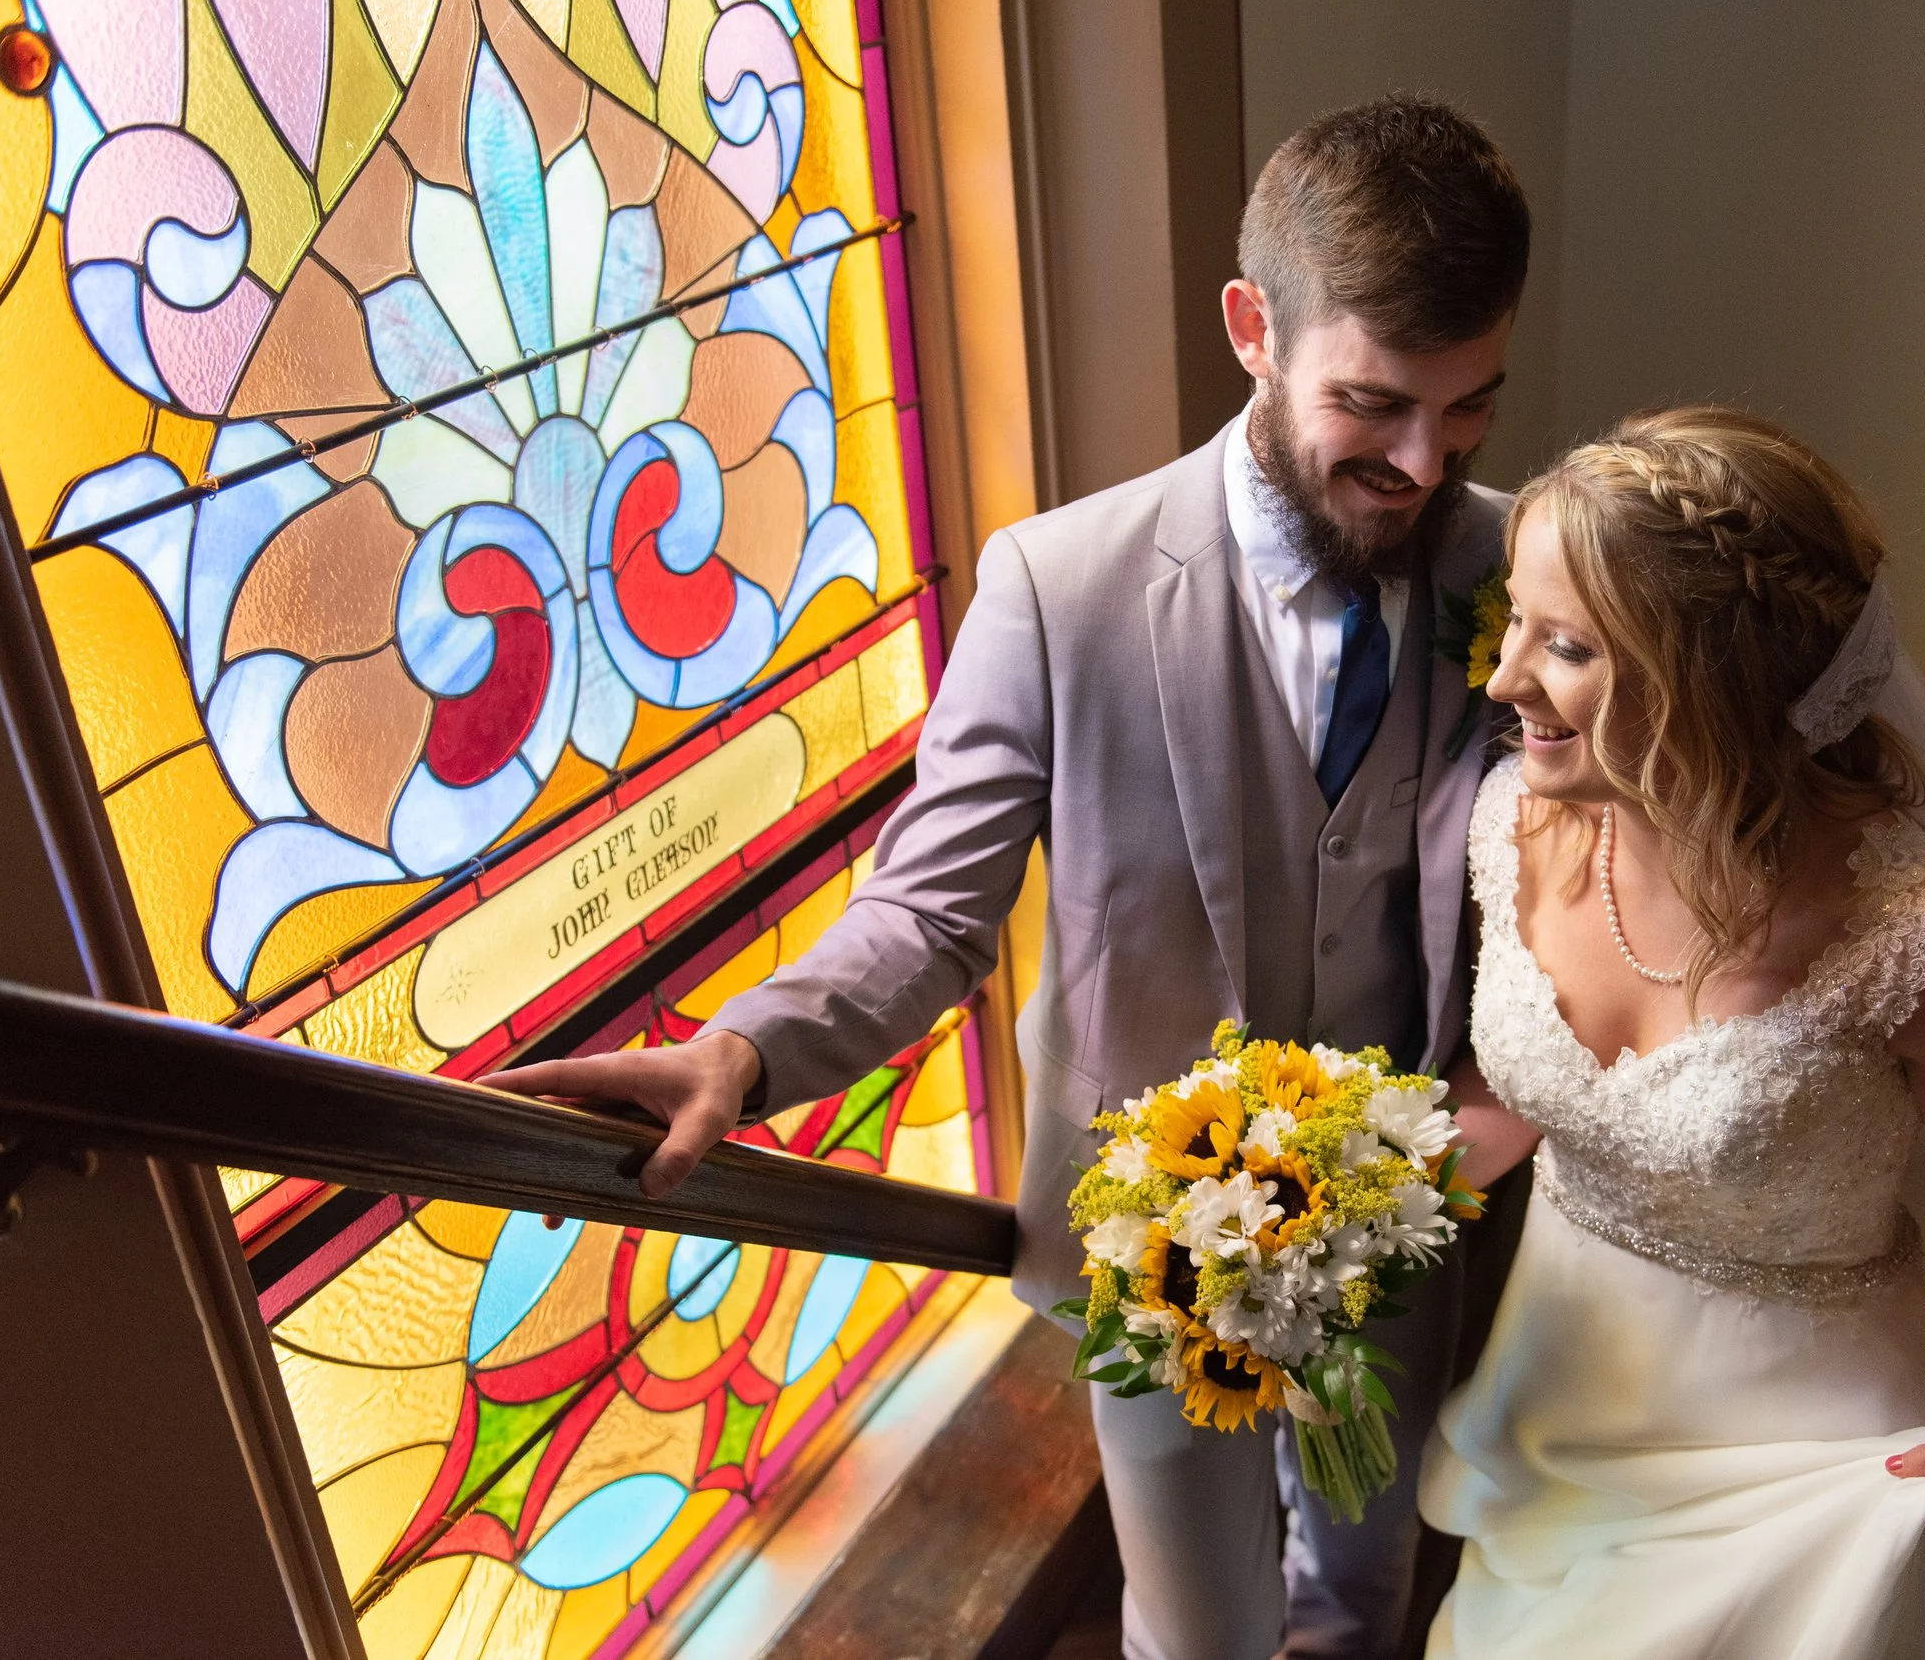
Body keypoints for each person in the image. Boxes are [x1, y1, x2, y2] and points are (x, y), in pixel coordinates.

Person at [489, 94, 1532, 1660]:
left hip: (1411, 1218)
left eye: (1468, 412)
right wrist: (744, 1046)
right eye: (1375, 405)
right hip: (1148, 1250)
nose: (1422, 459)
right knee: (1198, 1631)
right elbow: (930, 909)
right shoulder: (1060, 586)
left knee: (1369, 1593)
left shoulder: (1512, 564)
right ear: (1252, 328)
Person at [1420, 406, 1925, 1659]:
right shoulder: (1514, 815)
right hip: (1558, 1405)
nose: (1504, 675)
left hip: (1808, 1463)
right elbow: (1534, 1091)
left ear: (1699, 682)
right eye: (1511, 619)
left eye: (1561, 644)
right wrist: (1339, 1210)